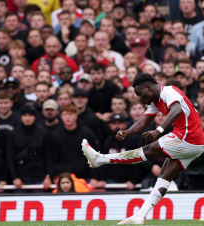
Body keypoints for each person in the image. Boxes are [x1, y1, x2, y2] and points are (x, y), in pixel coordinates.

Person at [82, 73, 204, 224]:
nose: (139, 98)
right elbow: (143, 121)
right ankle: (140, 215)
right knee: (164, 176)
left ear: (149, 87)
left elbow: (177, 110)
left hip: (188, 137)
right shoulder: (155, 101)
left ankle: (100, 159)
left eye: (140, 94)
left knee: (146, 151)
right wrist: (127, 132)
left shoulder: (169, 92)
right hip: (196, 143)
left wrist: (158, 131)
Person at [7, 105, 51, 192]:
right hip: (20, 180)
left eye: (30, 115)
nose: (27, 118)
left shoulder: (43, 133)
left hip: (39, 179)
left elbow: (49, 156)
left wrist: (48, 176)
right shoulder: (13, 134)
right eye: (24, 115)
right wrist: (15, 177)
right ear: (21, 117)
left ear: (35, 117)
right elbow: (9, 157)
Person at [51, 104, 100, 180]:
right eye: (65, 114)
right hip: (65, 178)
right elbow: (53, 159)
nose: (67, 117)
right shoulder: (56, 135)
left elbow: (96, 155)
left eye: (70, 114)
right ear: (61, 116)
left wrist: (95, 177)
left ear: (76, 116)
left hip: (85, 177)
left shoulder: (87, 133)